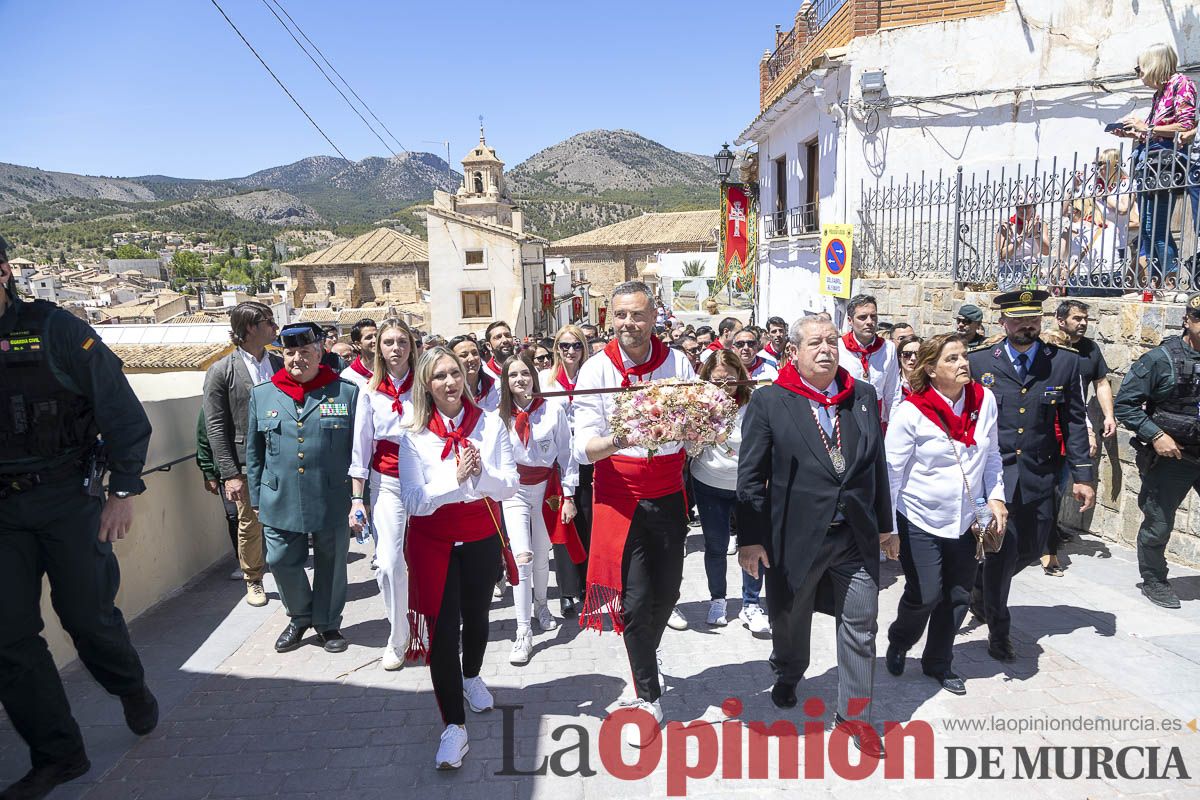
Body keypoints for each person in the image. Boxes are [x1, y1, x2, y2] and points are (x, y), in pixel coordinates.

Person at [0, 237, 159, 799]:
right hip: (4, 510)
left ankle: (130, 685)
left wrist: (123, 489)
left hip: (67, 496)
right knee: (8, 638)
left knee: (87, 617)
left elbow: (121, 411)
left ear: (2, 273)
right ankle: (58, 755)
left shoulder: (55, 329)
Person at [737, 316, 895, 758]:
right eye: (814, 342)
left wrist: (886, 526)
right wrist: (750, 539)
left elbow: (876, 466)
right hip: (796, 536)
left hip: (855, 537)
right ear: (794, 352)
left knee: (861, 627)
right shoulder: (771, 401)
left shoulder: (861, 396)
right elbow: (751, 476)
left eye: (831, 340)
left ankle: (854, 717)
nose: (825, 348)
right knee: (789, 618)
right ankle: (788, 672)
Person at [573, 280, 695, 747]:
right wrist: (622, 437)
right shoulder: (595, 369)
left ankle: (644, 655)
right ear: (611, 318)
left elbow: (689, 423)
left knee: (668, 593)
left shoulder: (678, 362)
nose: (629, 324)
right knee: (636, 602)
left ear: (653, 316)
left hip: (667, 494)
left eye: (638, 315)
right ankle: (649, 695)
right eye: (621, 315)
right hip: (620, 496)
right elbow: (585, 449)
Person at [396, 347, 518, 769]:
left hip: (480, 535)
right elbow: (413, 501)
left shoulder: (489, 424)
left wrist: (482, 474)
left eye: (455, 374)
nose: (450, 383)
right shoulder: (411, 434)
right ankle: (454, 727)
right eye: (439, 377)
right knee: (443, 632)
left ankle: (472, 676)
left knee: (478, 616)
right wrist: (456, 478)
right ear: (427, 386)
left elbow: (509, 486)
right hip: (432, 542)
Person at [965, 290, 1095, 661]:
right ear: (1003, 322)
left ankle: (979, 585)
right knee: (1003, 555)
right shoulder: (979, 362)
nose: (1027, 326)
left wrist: (1083, 476)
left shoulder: (1064, 363)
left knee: (1035, 547)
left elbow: (1072, 422)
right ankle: (999, 630)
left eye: (1033, 318)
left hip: (1040, 473)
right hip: (995, 476)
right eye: (1019, 319)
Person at [885, 334, 1007, 696]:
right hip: (919, 516)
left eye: (964, 356)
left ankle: (938, 662)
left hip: (966, 520)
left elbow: (993, 456)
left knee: (956, 596)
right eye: (952, 359)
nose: (963, 363)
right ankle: (900, 640)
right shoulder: (911, 412)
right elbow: (891, 473)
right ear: (931, 369)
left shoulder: (984, 402)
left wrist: (997, 498)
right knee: (924, 593)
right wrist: (888, 529)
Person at [246, 323, 359, 655]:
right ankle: (299, 617)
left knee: (332, 561)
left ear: (320, 352)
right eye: (290, 353)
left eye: (305, 352)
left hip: (330, 494)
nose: (297, 359)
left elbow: (357, 450)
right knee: (280, 560)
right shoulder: (262, 394)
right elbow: (254, 452)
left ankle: (327, 624)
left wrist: (357, 499)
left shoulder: (345, 393)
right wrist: (256, 498)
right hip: (278, 495)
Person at [1113, 293, 1200, 609]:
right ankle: (1154, 579)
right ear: (1188, 321)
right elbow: (1126, 405)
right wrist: (1156, 435)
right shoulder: (1160, 360)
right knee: (1158, 522)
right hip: (1172, 456)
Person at [499, 356, 579, 664]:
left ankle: (542, 604)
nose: (520, 379)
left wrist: (569, 495)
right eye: (513, 375)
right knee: (523, 558)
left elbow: (567, 454)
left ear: (534, 376)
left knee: (543, 552)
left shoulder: (552, 410)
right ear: (506, 382)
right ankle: (523, 632)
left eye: (525, 373)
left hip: (547, 491)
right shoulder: (500, 416)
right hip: (515, 491)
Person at [202, 301, 281, 607]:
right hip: (246, 463)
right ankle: (254, 579)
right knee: (250, 522)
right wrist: (229, 474)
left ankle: (286, 573)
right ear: (250, 328)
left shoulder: (279, 364)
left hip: (283, 457)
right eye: (268, 321)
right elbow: (216, 426)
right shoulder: (222, 371)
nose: (274, 326)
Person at [349, 318, 417, 670]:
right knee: (390, 563)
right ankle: (398, 637)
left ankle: (431, 628)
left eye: (401, 341)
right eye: (388, 342)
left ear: (411, 346)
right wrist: (357, 500)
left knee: (425, 563)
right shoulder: (369, 391)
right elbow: (361, 448)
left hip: (425, 484)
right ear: (378, 348)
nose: (395, 348)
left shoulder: (424, 384)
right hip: (387, 485)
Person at [691, 350, 769, 634]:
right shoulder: (697, 404)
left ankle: (751, 603)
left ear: (740, 377)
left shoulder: (754, 403)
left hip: (746, 487)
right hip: (709, 485)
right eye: (716, 381)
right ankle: (718, 599)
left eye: (729, 380)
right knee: (716, 546)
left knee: (754, 544)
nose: (723, 387)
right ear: (706, 379)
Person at [1114, 42, 1196, 286]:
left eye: (1140, 68)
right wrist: (1134, 133)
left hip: (1166, 166)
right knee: (1148, 229)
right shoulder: (1159, 93)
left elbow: (1186, 125)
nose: (1139, 73)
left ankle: (1170, 281)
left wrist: (1147, 128)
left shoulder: (1181, 84)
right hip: (1150, 164)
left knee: (1157, 229)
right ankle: (1156, 281)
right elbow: (1156, 132)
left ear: (1154, 65)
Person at [539, 323, 592, 617]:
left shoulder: (592, 375)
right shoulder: (546, 380)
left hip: (588, 460)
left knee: (587, 524)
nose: (570, 351)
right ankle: (567, 591)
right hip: (557, 465)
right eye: (564, 346)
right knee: (563, 524)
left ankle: (587, 585)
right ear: (556, 349)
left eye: (576, 345)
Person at [838, 294, 902, 428]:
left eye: (873, 317)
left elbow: (893, 393)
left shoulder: (887, 348)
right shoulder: (839, 347)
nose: (869, 322)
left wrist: (894, 427)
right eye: (862, 317)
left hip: (876, 417)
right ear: (850, 320)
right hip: (847, 414)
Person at [195, 409, 242, 579]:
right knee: (234, 516)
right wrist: (208, 473)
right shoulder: (208, 406)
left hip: (251, 468)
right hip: (225, 472)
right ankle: (243, 562)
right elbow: (203, 439)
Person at [995, 198, 1051, 290]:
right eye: (1019, 207)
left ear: (1034, 208)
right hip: (1010, 272)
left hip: (1032, 269)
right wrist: (1022, 237)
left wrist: (1036, 234)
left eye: (1027, 206)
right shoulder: (1006, 227)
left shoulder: (1040, 225)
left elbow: (1046, 251)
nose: (1023, 209)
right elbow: (1001, 255)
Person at [450, 335, 500, 411]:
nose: (472, 358)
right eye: (464, 355)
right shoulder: (449, 391)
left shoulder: (494, 387)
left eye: (475, 353)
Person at [341, 317, 379, 389]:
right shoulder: (348, 377)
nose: (375, 340)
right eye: (369, 337)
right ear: (358, 344)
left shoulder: (391, 368)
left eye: (376, 336)